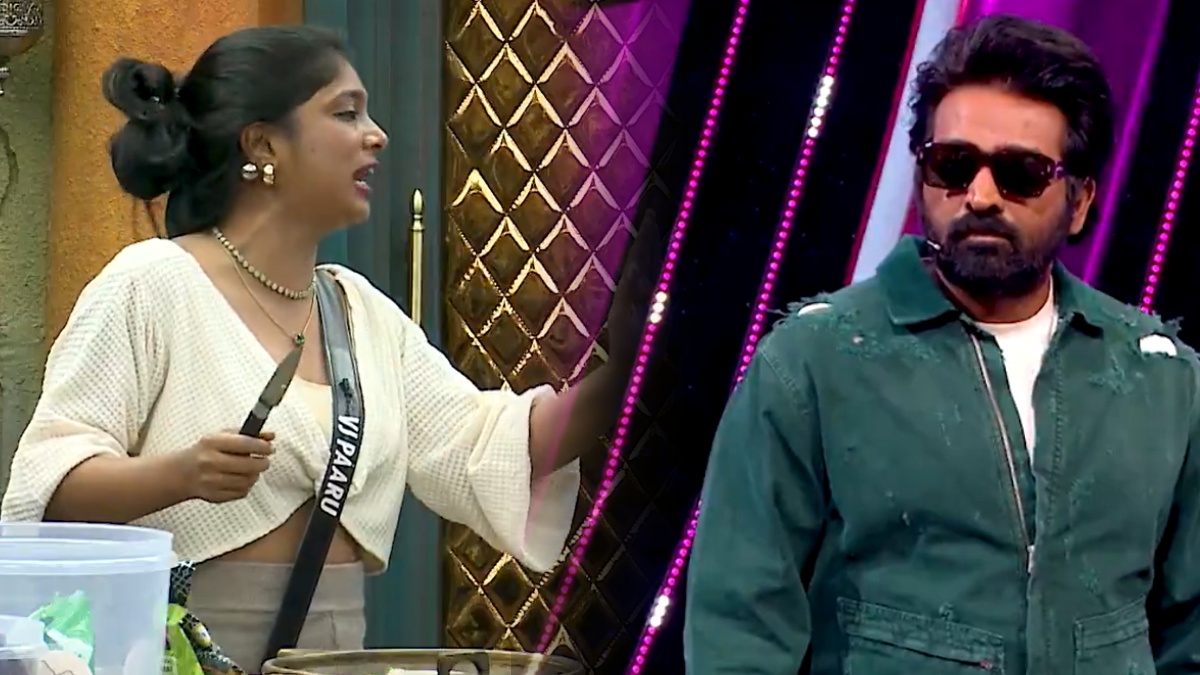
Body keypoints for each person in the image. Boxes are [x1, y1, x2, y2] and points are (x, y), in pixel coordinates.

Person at [0, 25, 650, 671]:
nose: (377, 135)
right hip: (187, 652)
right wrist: (182, 475)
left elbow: (492, 444)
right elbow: (48, 485)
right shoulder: (153, 283)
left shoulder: (357, 310)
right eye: (345, 113)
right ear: (264, 144)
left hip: (337, 656)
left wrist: (633, 368)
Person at [684, 14, 1200, 675]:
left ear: (1078, 201)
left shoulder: (1159, 376)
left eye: (1020, 173)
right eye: (952, 165)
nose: (980, 196)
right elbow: (739, 631)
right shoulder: (814, 362)